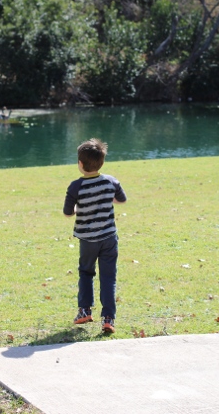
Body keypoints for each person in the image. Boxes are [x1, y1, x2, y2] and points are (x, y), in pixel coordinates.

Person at [63, 138, 127, 333]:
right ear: (102, 162)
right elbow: (121, 200)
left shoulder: (75, 187)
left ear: (80, 164)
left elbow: (67, 212)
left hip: (88, 239)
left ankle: (85, 310)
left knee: (86, 272)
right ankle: (108, 319)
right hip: (109, 237)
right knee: (108, 277)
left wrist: (78, 206)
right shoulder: (111, 181)